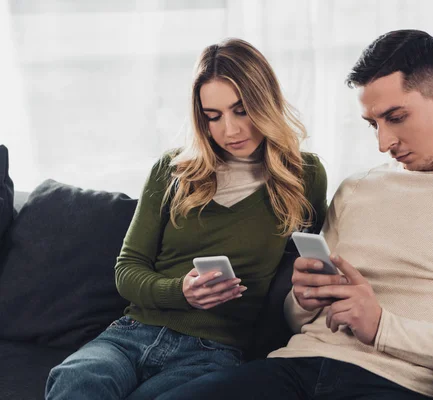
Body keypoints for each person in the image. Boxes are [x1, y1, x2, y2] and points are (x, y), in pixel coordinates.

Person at [157, 29, 433, 400]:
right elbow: (300, 321)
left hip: (398, 384)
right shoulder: (356, 189)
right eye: (373, 124)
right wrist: (302, 298)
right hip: (293, 368)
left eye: (396, 117)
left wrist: (383, 327)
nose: (384, 142)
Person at [45, 38, 327, 400]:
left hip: (214, 351)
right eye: (214, 116)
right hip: (131, 334)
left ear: (265, 101)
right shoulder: (173, 169)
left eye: (241, 110)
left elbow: (305, 265)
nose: (230, 130)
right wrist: (181, 291)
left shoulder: (305, 175)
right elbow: (127, 269)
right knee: (77, 381)